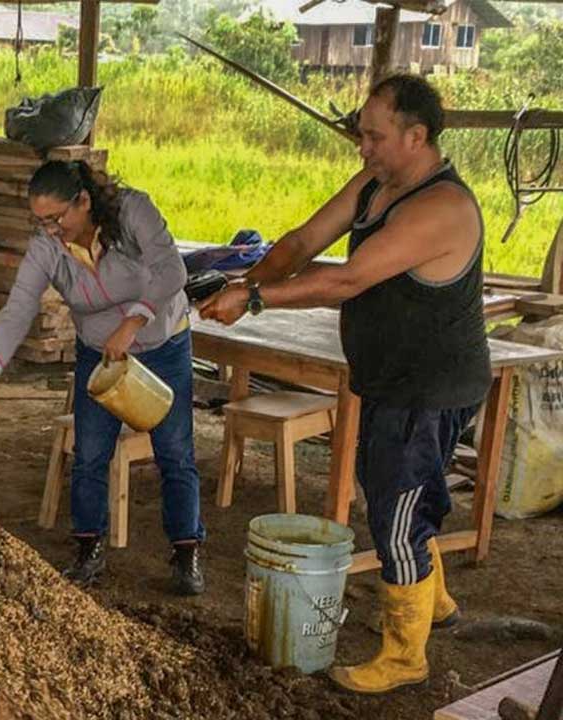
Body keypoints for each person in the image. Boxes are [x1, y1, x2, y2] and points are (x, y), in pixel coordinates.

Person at [200, 74, 489, 694]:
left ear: (417, 136)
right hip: (390, 379)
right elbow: (306, 241)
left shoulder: (443, 207)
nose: (363, 147)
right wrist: (254, 272)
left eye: (374, 136)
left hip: (429, 387)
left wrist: (251, 299)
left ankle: (405, 655)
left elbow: (347, 281)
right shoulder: (377, 185)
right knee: (394, 490)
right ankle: (432, 600)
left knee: (397, 510)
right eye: (362, 134)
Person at [0, 160, 206, 595]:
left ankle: (186, 550)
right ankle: (88, 548)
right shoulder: (48, 247)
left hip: (162, 345)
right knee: (90, 453)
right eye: (40, 221)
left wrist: (134, 320)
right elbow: (21, 304)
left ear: (84, 201)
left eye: (58, 218)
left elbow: (173, 271)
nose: (50, 230)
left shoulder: (132, 210)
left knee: (174, 452)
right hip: (100, 355)